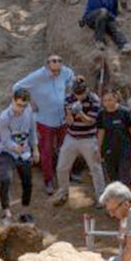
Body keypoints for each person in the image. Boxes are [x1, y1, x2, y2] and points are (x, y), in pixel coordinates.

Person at [13, 55, 74, 195]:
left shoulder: (65, 72)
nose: (57, 63)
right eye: (54, 61)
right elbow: (17, 87)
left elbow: (71, 78)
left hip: (62, 119)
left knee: (65, 148)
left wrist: (69, 92)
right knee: (46, 152)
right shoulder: (37, 76)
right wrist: (29, 103)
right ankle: (48, 180)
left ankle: (67, 175)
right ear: (47, 64)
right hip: (45, 121)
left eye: (60, 60)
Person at [53, 76, 106, 207]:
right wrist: (70, 113)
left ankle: (101, 197)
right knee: (62, 167)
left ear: (86, 90)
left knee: (95, 168)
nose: (79, 96)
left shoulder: (94, 100)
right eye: (76, 94)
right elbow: (69, 121)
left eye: (81, 94)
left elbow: (91, 121)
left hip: (88, 138)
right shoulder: (68, 99)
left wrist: (80, 112)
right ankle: (63, 192)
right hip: (71, 137)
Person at [0, 87, 38, 224]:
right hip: (8, 152)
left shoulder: (29, 112)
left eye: (24, 106)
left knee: (27, 182)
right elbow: (5, 139)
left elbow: (32, 131)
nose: (20, 109)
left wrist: (35, 149)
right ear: (13, 100)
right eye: (18, 105)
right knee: (5, 179)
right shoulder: (4, 118)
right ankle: (6, 212)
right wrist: (15, 148)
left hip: (25, 152)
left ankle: (24, 212)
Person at [97, 88, 131, 192]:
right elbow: (101, 132)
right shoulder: (101, 114)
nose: (107, 103)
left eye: (110, 99)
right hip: (109, 149)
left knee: (125, 178)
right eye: (105, 100)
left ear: (116, 99)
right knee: (113, 179)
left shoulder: (125, 112)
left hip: (125, 149)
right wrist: (98, 149)